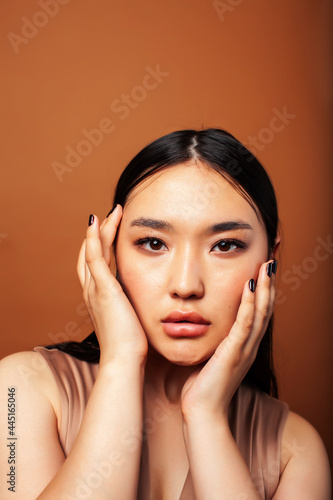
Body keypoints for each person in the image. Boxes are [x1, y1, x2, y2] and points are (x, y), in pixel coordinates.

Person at [0, 129, 330, 499]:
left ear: (270, 257)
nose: (186, 285)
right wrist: (122, 361)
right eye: (153, 243)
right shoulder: (19, 389)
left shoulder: (296, 451)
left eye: (225, 245)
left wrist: (206, 416)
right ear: (110, 251)